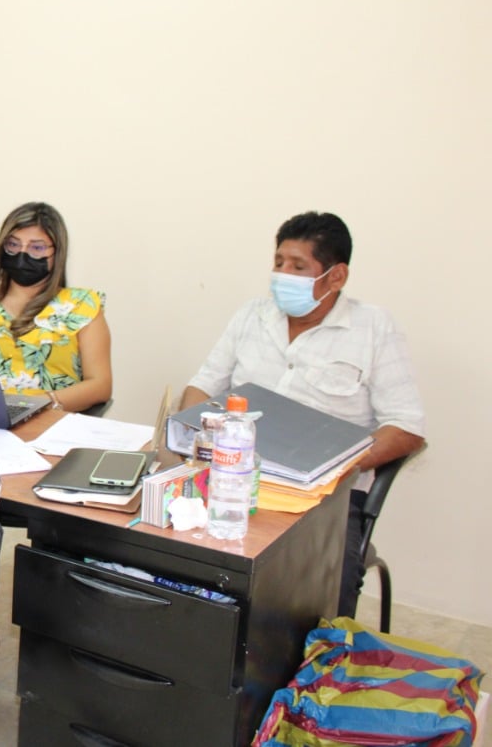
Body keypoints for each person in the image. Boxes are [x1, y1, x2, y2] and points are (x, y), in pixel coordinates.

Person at [180, 211, 425, 617]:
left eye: (297, 266)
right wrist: (198, 431)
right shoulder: (253, 315)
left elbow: (406, 427)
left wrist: (335, 466)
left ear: (336, 276)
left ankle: (316, 656)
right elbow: (201, 387)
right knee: (175, 555)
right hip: (234, 479)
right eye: (278, 262)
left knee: (320, 594)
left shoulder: (373, 328)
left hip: (326, 498)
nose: (282, 275)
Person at [0, 201, 112, 413]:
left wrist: (38, 404)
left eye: (37, 248)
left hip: (50, 418)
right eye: (13, 245)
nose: (22, 255)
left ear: (57, 253)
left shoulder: (81, 306)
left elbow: (100, 385)